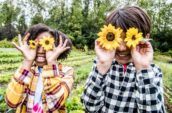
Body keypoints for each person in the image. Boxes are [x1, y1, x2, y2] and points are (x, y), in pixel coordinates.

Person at [81, 6, 166, 113]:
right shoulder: (102, 65)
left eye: (129, 38)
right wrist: (102, 66)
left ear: (145, 38)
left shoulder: (152, 72)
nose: (122, 48)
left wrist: (143, 68)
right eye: (116, 38)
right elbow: (89, 107)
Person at [5, 23, 74, 113]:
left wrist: (52, 62)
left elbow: (55, 104)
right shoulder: (26, 71)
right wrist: (28, 61)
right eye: (36, 44)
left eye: (47, 44)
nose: (41, 50)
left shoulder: (66, 72)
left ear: (58, 48)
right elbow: (11, 103)